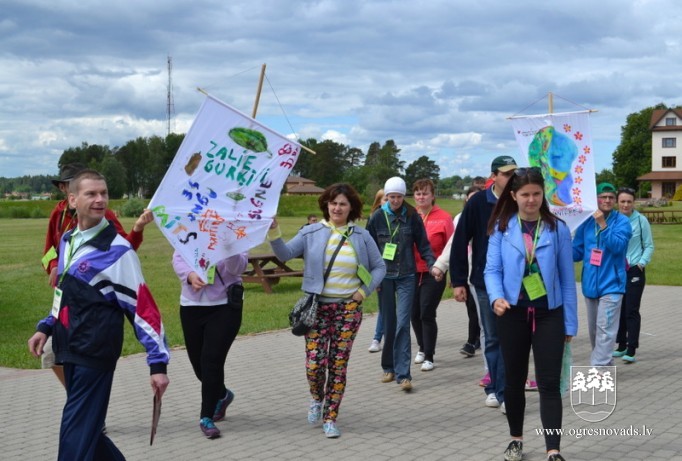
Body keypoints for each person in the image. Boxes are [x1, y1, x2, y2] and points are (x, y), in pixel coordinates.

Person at [27, 169, 170, 461]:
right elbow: (65, 293)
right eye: (91, 193)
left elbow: (143, 309)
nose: (100, 199)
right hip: (69, 348)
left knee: (74, 438)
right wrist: (46, 326)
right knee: (87, 433)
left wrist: (158, 364)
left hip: (95, 352)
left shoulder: (118, 250)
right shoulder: (68, 240)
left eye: (103, 193)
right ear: (72, 200)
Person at [268, 183, 385, 438]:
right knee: (315, 364)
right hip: (317, 309)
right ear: (326, 205)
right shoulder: (311, 232)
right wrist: (273, 230)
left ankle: (331, 417)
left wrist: (362, 292)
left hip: (348, 309)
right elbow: (284, 254)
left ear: (351, 207)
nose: (337, 208)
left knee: (338, 364)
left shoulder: (361, 235)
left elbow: (379, 267)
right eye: (333, 203)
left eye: (343, 204)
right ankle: (316, 397)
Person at [484, 167, 577, 461]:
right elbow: (491, 270)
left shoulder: (557, 228)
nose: (531, 200)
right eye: (525, 194)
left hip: (550, 314)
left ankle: (553, 450)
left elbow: (567, 279)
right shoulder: (502, 228)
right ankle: (516, 440)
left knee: (549, 383)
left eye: (537, 193)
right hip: (512, 314)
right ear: (514, 195)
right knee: (514, 381)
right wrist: (496, 297)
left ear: (543, 194)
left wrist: (570, 323)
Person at [41, 163, 154, 388]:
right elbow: (48, 250)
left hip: (93, 309)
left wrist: (138, 229)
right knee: (49, 354)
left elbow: (123, 249)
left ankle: (81, 399)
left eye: (101, 193)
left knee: (76, 363)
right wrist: (54, 264)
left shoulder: (103, 213)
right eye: (66, 184)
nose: (98, 199)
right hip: (65, 300)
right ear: (66, 190)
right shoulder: (58, 213)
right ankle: (77, 396)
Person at [450, 155, 517, 411]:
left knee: (512, 337)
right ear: (494, 177)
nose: (511, 178)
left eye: (514, 174)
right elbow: (459, 241)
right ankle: (495, 389)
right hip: (483, 281)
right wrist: (458, 281)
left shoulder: (519, 199)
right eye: (506, 174)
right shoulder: (478, 202)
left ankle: (507, 390)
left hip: (516, 281)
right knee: (492, 337)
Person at [366, 176, 436, 392]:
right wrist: (372, 279)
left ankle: (404, 375)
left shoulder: (412, 216)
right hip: (384, 276)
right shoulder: (377, 217)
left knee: (403, 323)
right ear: (386, 196)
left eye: (398, 197)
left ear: (403, 196)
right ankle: (389, 368)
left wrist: (433, 264)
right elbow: (368, 249)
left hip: (407, 275)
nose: (395, 201)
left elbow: (423, 244)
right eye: (391, 197)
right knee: (389, 323)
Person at [172, 251, 247, 438]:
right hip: (191, 305)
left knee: (211, 360)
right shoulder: (190, 232)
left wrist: (228, 246)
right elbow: (178, 257)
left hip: (225, 305)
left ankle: (206, 417)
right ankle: (221, 394)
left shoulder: (234, 234)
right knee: (198, 364)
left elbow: (238, 268)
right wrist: (190, 275)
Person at [573, 182, 632, 366]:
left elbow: (618, 247)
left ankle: (599, 368)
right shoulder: (586, 222)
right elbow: (577, 252)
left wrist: (603, 225)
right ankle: (605, 364)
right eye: (603, 197)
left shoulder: (622, 221)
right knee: (595, 331)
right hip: (590, 286)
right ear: (596, 199)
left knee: (605, 329)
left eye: (611, 197)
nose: (607, 200)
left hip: (612, 285)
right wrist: (561, 242)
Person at [410, 179, 454, 371]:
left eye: (425, 193)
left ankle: (429, 355)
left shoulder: (444, 218)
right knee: (414, 313)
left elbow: (453, 247)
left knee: (426, 312)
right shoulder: (409, 216)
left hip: (434, 272)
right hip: (411, 272)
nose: (421, 197)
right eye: (418, 193)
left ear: (432, 195)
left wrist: (452, 274)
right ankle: (421, 347)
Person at [614, 187, 654, 363]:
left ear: (634, 203)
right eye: (622, 201)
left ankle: (631, 348)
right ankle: (621, 345)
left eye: (629, 201)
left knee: (631, 309)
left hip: (634, 270)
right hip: (616, 271)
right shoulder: (613, 219)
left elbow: (649, 245)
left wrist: (641, 263)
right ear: (617, 202)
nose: (625, 205)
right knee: (619, 309)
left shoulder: (640, 220)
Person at [368, 188, 388, 353]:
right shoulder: (374, 219)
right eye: (385, 199)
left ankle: (391, 336)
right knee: (384, 305)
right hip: (381, 268)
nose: (389, 202)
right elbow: (368, 248)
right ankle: (377, 338)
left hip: (400, 268)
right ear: (379, 202)